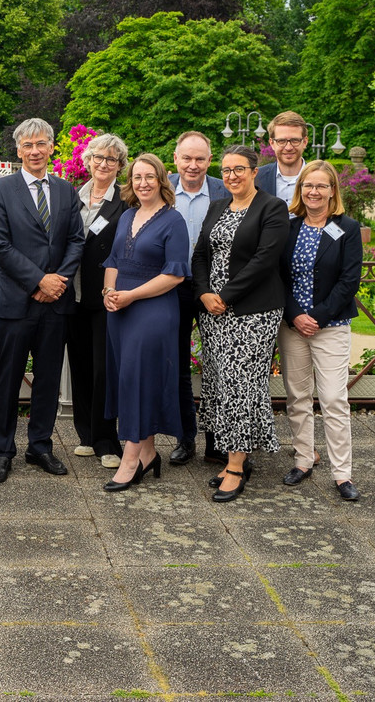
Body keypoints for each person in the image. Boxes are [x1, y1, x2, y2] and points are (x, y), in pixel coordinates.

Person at [0, 118, 84, 484]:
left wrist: (58, 281)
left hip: (56, 302)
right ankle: (2, 449)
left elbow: (76, 240)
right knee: (7, 379)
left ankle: (40, 445)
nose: (35, 151)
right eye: (28, 145)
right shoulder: (0, 191)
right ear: (18, 150)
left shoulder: (66, 191)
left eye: (42, 144)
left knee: (47, 379)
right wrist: (37, 280)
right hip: (15, 302)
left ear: (52, 147)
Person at [193, 145, 289, 502]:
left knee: (242, 384)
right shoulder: (216, 207)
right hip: (213, 311)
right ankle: (237, 454)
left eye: (239, 169)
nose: (231, 176)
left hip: (253, 312)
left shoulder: (271, 208)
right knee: (220, 382)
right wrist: (204, 293)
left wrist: (226, 295)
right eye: (226, 170)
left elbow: (266, 258)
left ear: (254, 171)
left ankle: (236, 467)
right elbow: (200, 254)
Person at [101, 154, 191, 491]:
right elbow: (113, 260)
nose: (143, 183)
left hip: (153, 310)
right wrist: (108, 291)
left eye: (149, 177)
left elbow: (174, 274)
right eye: (137, 177)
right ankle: (149, 453)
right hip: (120, 310)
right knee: (130, 379)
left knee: (138, 379)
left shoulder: (174, 220)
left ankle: (130, 460)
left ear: (161, 180)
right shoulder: (127, 216)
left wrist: (131, 296)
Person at [278, 161, 363, 501]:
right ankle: (303, 459)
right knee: (298, 397)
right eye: (307, 186)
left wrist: (318, 317)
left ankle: (342, 474)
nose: (313, 191)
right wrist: (297, 315)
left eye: (321, 186)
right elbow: (278, 277)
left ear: (332, 191)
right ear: (300, 190)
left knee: (333, 399)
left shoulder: (347, 228)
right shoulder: (288, 227)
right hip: (293, 325)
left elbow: (349, 280)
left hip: (331, 326)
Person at [167, 131, 231, 465]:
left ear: (210, 160)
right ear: (175, 158)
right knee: (176, 364)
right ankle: (185, 438)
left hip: (214, 290)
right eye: (187, 158)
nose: (193, 165)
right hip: (172, 287)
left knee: (217, 365)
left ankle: (217, 440)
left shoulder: (225, 190)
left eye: (200, 159)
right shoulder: (160, 188)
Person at [66, 132, 129, 469]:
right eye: (98, 157)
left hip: (106, 295)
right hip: (74, 294)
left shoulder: (125, 201)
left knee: (105, 368)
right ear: (87, 161)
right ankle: (86, 435)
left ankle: (107, 439)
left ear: (120, 165)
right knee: (80, 366)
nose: (103, 164)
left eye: (111, 159)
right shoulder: (74, 196)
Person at [256, 111, 310, 204]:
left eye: (295, 140)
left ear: (305, 142)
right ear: (272, 143)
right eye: (281, 141)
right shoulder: (256, 179)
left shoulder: (321, 179)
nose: (288, 147)